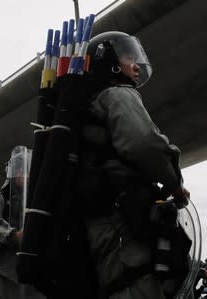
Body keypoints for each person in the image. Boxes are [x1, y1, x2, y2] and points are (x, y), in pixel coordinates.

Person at [78, 31, 191, 298]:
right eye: (129, 57)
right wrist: (175, 185)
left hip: (105, 227)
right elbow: (144, 145)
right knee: (137, 282)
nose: (136, 64)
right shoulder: (117, 94)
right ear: (110, 62)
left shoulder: (89, 108)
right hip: (121, 223)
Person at [0, 147, 45, 299]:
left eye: (27, 169)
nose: (24, 174)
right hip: (6, 270)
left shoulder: (37, 199)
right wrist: (13, 235)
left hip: (33, 267)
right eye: (20, 169)